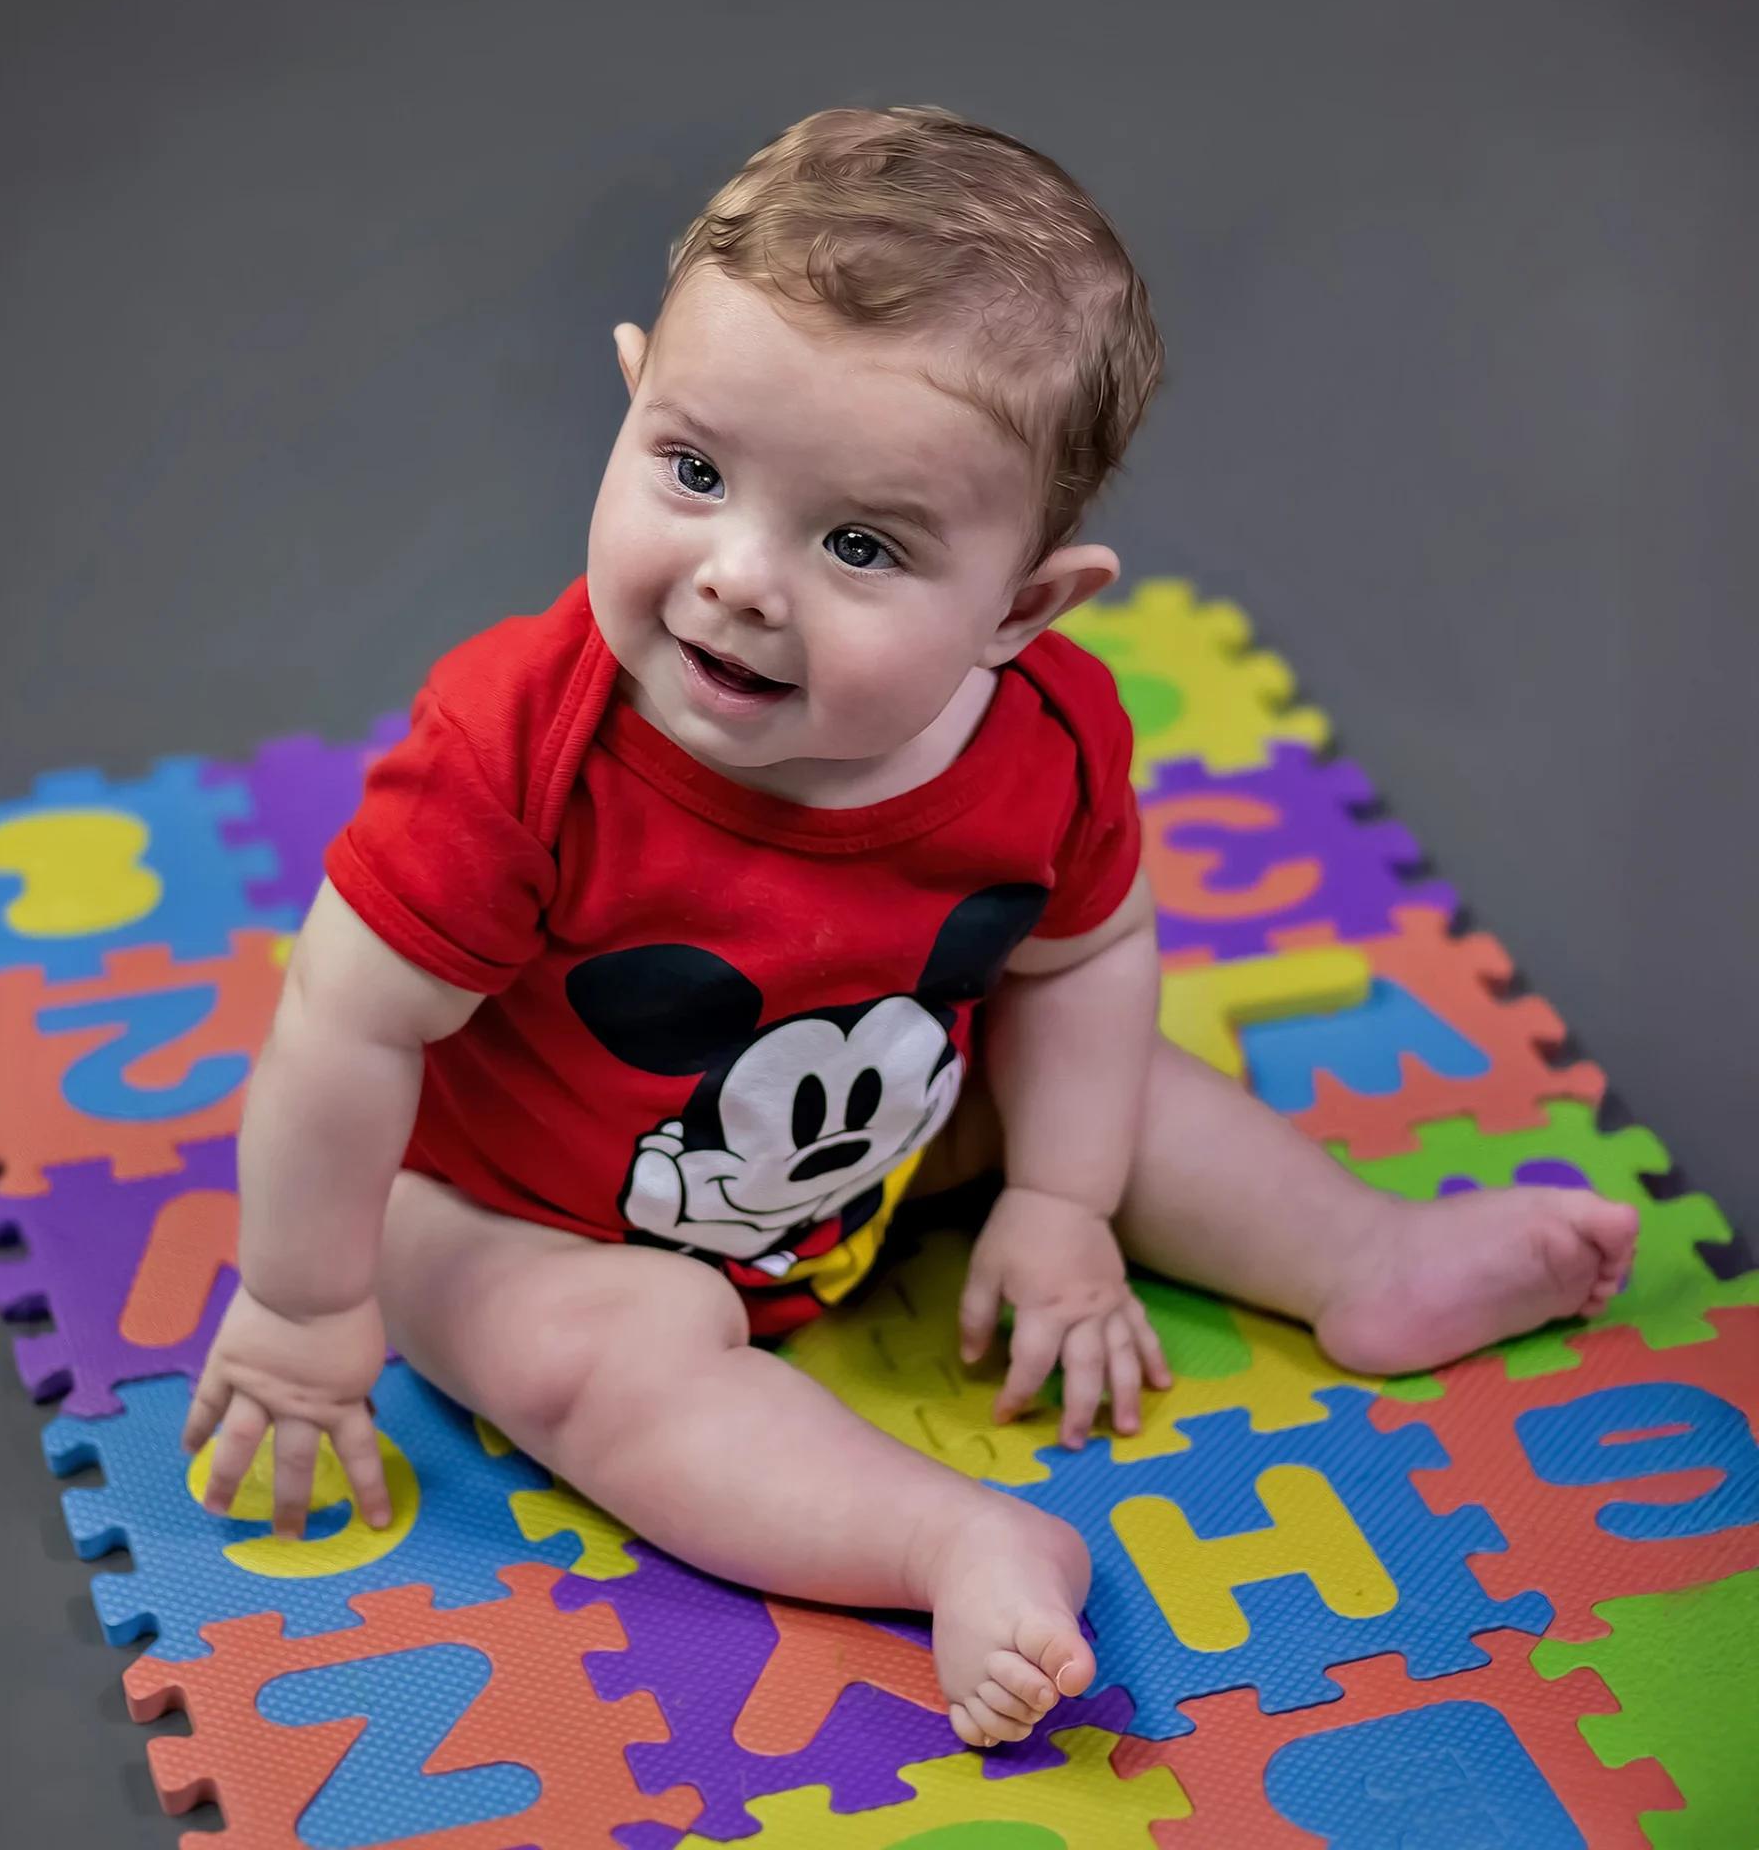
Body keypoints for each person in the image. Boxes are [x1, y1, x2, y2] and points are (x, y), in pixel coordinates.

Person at [184, 106, 1638, 1749]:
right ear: (632, 390)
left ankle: (1364, 1257)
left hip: (887, 1122)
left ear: (1024, 610)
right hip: (523, 1208)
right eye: (695, 469)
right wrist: (305, 1314)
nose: (739, 577)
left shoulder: (1054, 735)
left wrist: (1062, 1200)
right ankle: (943, 1539)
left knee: (1112, 1081)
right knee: (596, 1360)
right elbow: (349, 1026)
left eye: (862, 543)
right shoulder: (516, 751)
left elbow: (1083, 958)